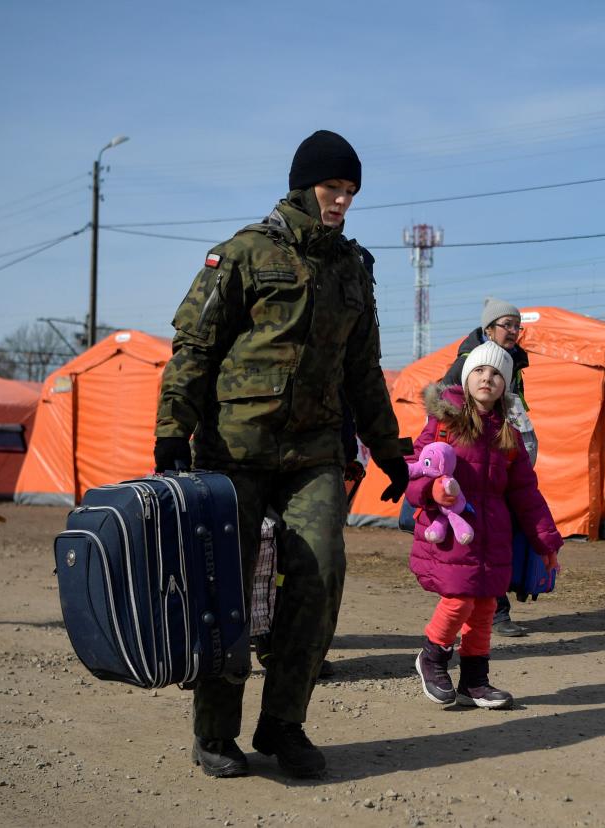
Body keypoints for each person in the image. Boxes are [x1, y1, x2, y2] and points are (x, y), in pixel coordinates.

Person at [154, 129, 409, 780]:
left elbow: (363, 369)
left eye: (351, 192)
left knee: (321, 574)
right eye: (333, 189)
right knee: (227, 589)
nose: (342, 202)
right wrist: (170, 431)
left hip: (315, 450)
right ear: (304, 187)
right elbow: (194, 349)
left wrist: (389, 449)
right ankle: (215, 732)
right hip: (233, 449)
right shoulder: (242, 254)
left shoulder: (353, 267)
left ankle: (284, 726)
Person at [408, 341, 562, 709]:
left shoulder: (508, 435)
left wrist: (547, 543)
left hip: (494, 536)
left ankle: (475, 681)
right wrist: (431, 488)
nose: (487, 378)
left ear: (505, 386)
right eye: (480, 370)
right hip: (453, 534)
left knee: (485, 608)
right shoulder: (444, 423)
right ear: (466, 376)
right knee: (459, 600)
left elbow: (527, 493)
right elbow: (414, 468)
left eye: (496, 374)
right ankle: (432, 655)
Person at [439, 297, 538, 637]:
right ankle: (486, 615)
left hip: (501, 460)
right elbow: (442, 403)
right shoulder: (471, 362)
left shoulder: (511, 363)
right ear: (489, 328)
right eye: (507, 325)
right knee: (480, 540)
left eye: (517, 326)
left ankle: (490, 609)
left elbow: (515, 410)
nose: (513, 331)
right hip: (471, 466)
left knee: (498, 537)